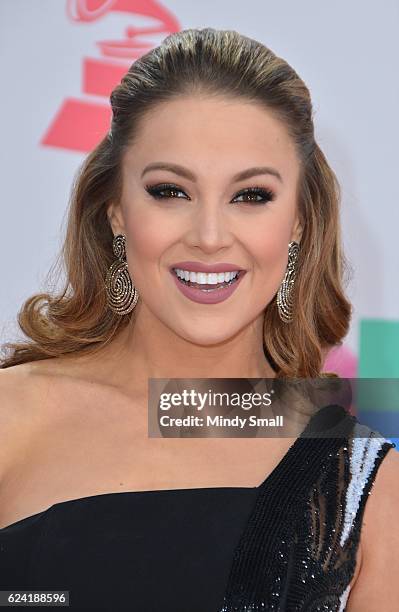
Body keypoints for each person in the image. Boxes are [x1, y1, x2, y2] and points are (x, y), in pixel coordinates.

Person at [0, 27, 398, 611]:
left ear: (300, 223)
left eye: (251, 196)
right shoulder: (12, 420)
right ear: (115, 212)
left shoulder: (368, 485)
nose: (210, 237)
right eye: (170, 190)